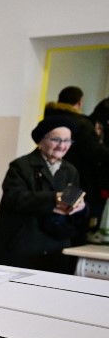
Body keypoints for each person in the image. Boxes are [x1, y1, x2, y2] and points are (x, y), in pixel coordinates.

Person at [0, 116, 87, 273]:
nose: (62, 146)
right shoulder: (21, 166)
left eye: (67, 141)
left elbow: (73, 203)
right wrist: (54, 199)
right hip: (23, 242)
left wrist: (81, 208)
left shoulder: (70, 170)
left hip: (56, 245)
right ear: (41, 140)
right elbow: (14, 199)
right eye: (57, 140)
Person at [46, 86, 109, 233]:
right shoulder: (81, 124)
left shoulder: (47, 117)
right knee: (71, 218)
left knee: (54, 214)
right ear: (79, 102)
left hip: (50, 175)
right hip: (77, 179)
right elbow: (95, 151)